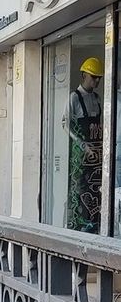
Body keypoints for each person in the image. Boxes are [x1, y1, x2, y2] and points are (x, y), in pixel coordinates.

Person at [65, 56, 103, 233]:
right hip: (81, 155)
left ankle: (93, 223)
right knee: (79, 188)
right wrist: (82, 145)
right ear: (84, 75)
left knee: (95, 189)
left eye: (98, 78)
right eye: (93, 77)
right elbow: (65, 124)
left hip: (97, 153)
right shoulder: (74, 97)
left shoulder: (97, 98)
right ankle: (77, 224)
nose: (96, 81)